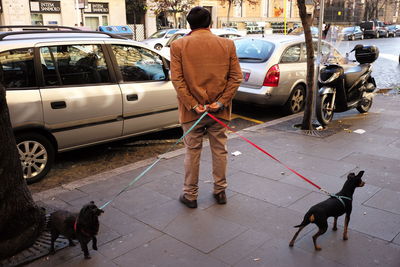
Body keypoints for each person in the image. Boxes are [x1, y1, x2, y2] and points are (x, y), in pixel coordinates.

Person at [170, 6, 242, 208]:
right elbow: (236, 78)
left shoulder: (178, 46)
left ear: (189, 24)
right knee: (220, 151)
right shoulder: (227, 44)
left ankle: (190, 196)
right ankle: (220, 191)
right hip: (219, 111)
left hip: (191, 112)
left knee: (192, 152)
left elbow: (177, 80)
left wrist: (193, 104)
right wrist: (221, 102)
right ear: (210, 23)